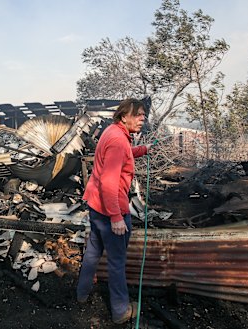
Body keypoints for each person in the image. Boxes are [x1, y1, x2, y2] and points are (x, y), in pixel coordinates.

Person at [76, 97, 152, 324]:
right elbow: (109, 182)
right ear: (124, 116)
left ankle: (82, 294)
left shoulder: (112, 132)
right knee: (116, 263)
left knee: (92, 253)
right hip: (111, 209)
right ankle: (120, 311)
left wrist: (142, 150)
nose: (142, 118)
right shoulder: (119, 140)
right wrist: (117, 217)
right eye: (138, 114)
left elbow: (122, 153)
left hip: (96, 206)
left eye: (143, 115)